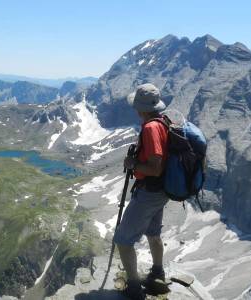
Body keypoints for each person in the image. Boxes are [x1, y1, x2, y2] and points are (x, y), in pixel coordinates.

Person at [113, 83, 169, 300]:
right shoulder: (164, 121)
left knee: (124, 240)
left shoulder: (150, 128)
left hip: (150, 192)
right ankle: (157, 273)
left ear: (141, 108)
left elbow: (155, 167)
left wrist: (133, 165)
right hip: (161, 191)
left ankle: (134, 288)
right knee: (153, 232)